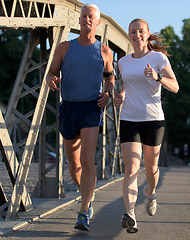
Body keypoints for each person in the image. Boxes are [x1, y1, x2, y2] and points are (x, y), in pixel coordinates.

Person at [46, 3, 115, 231]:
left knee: (87, 160)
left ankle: (84, 211)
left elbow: (110, 78)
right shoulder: (64, 48)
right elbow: (51, 72)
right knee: (74, 165)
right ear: (79, 21)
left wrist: (107, 93)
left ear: (97, 23)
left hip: (91, 108)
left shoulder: (105, 51)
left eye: (91, 17)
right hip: (69, 108)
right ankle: (88, 194)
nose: (86, 19)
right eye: (83, 15)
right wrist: (50, 79)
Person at [114, 18, 179, 233]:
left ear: (147, 33)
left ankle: (150, 194)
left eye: (141, 31)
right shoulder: (123, 62)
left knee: (151, 169)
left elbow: (175, 86)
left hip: (153, 120)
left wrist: (158, 77)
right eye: (133, 32)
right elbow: (126, 84)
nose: (136, 35)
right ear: (129, 35)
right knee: (131, 167)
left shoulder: (158, 58)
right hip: (129, 120)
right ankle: (130, 214)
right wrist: (120, 96)